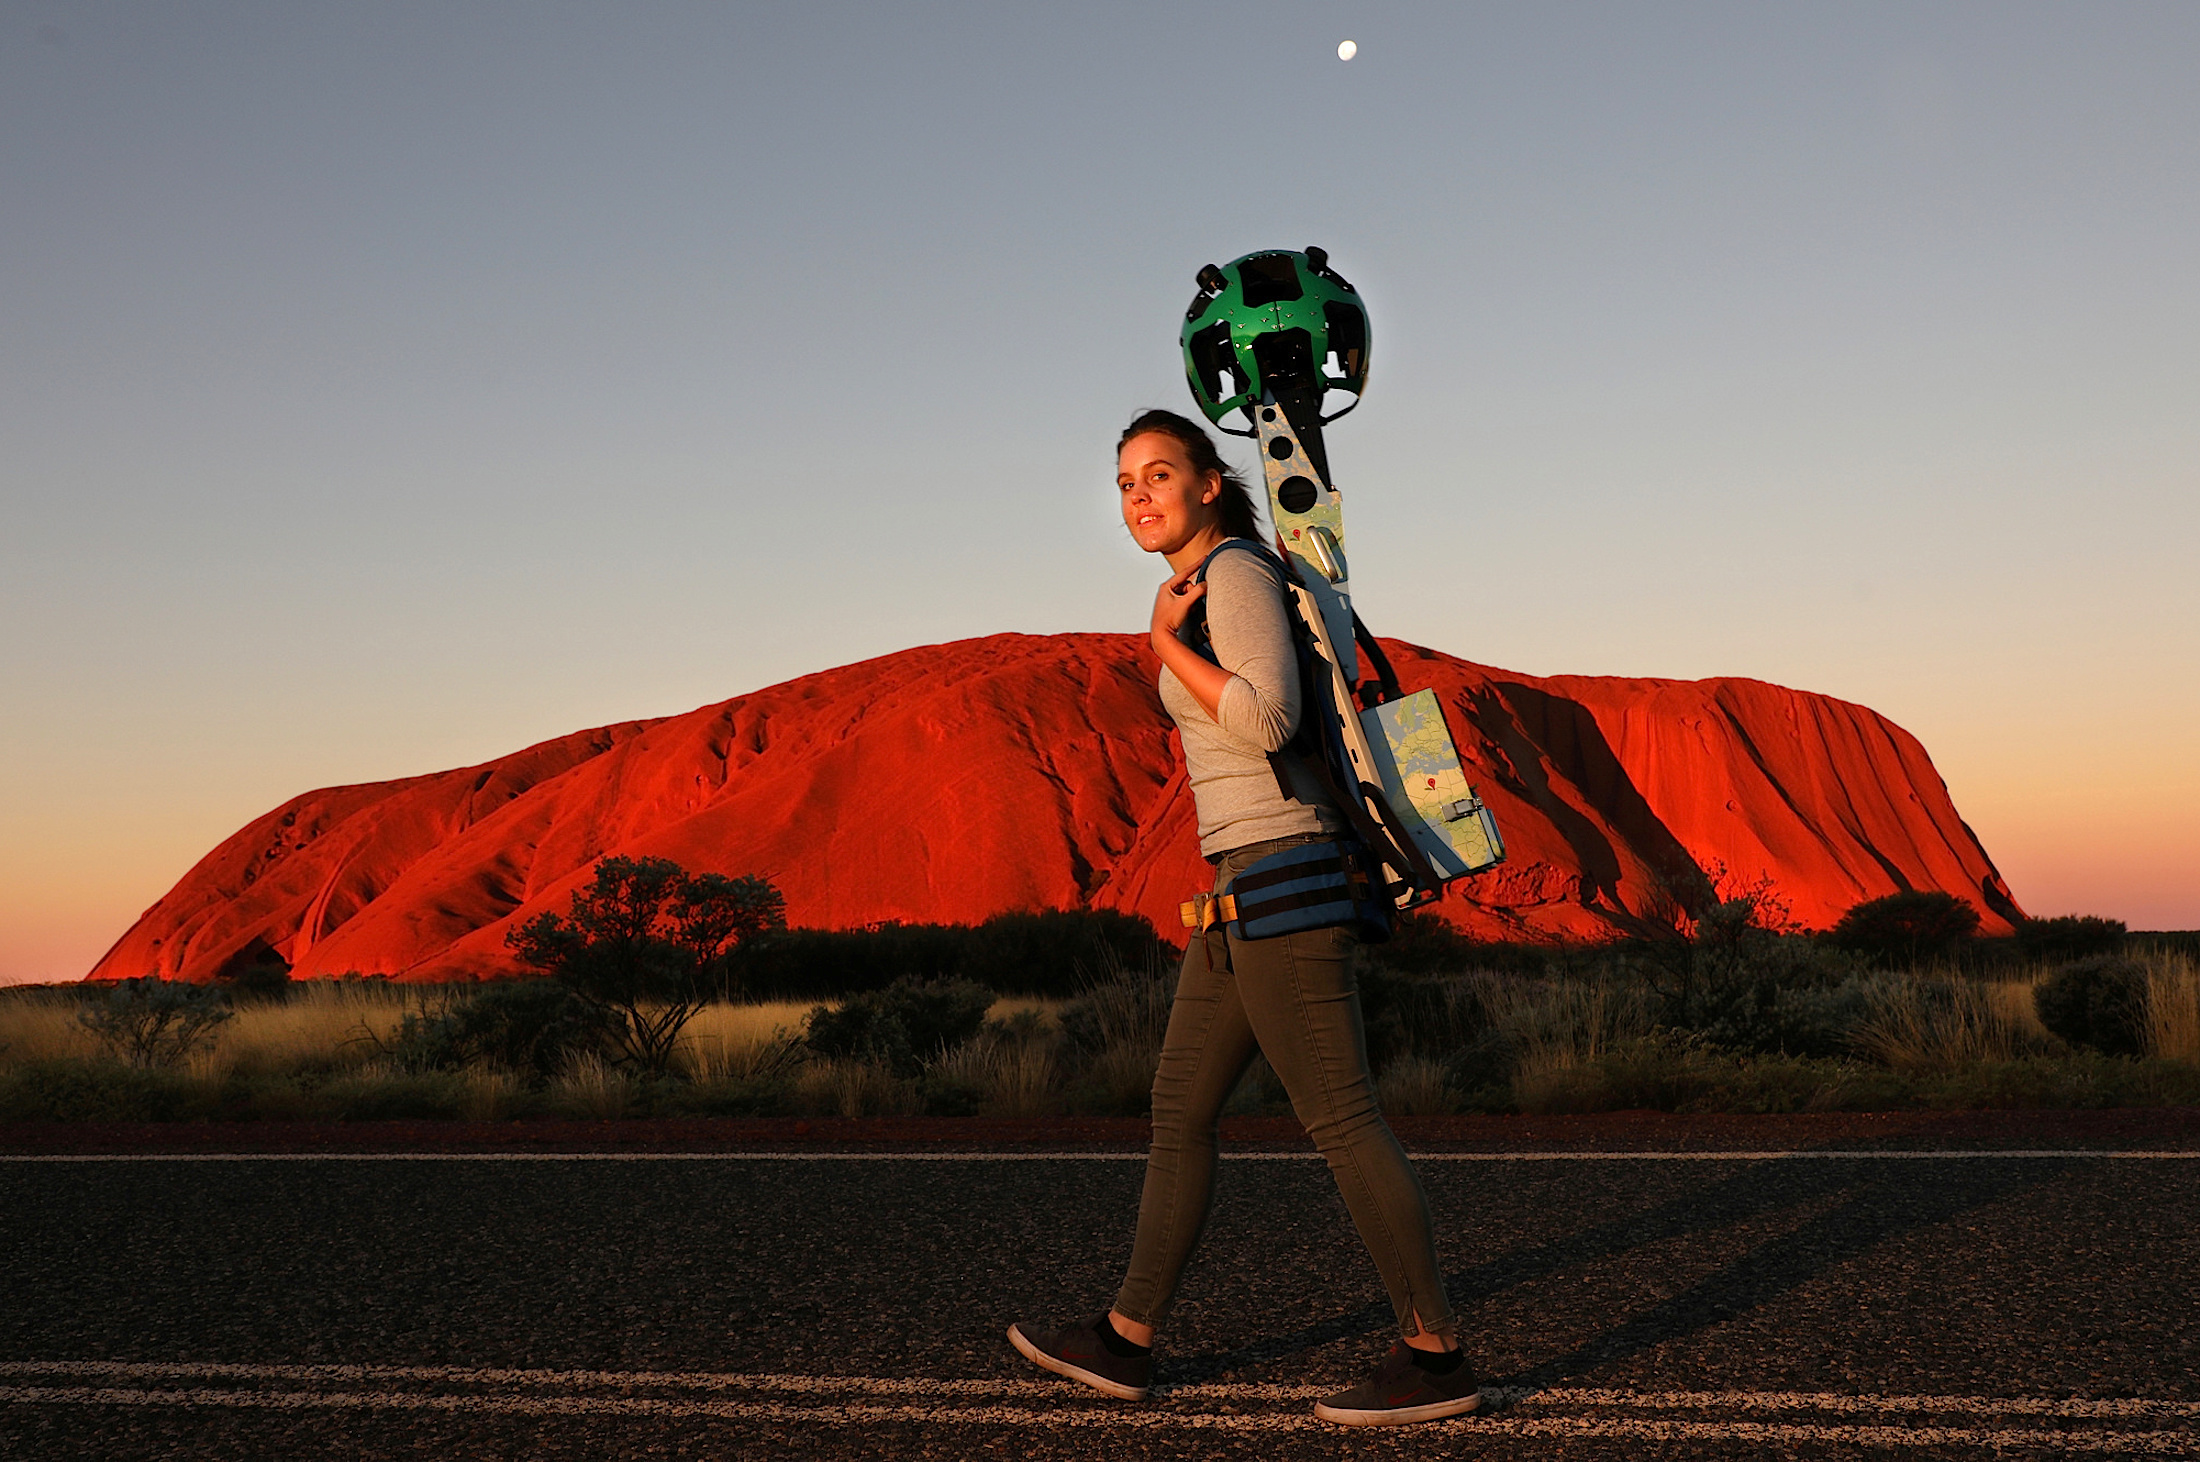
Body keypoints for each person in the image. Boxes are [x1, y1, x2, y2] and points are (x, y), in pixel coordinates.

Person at [1007, 409, 1480, 1427]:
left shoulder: (1234, 574)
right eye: (1125, 482)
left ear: (1209, 483)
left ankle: (1435, 1355)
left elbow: (1268, 717)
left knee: (1340, 1116)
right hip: (1236, 889)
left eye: (1158, 474)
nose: (1139, 496)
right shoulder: (1201, 582)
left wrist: (1162, 645)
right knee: (1179, 1108)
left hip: (1285, 874)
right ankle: (1126, 1338)